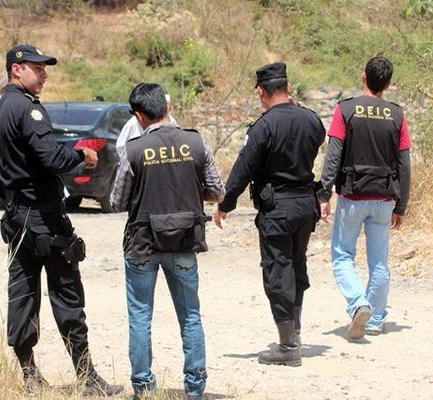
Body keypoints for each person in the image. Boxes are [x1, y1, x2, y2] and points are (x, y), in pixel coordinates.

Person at [0, 44, 123, 396]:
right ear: (17, 70)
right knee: (67, 294)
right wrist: (81, 156)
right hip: (44, 217)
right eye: (37, 68)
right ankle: (87, 378)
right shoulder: (28, 109)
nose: (44, 74)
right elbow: (52, 157)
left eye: (45, 68)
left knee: (22, 294)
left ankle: (29, 376)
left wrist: (12, 200)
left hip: (15, 216)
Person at [110, 82, 224, 400]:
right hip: (184, 241)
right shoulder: (196, 142)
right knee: (190, 316)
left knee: (140, 316)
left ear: (138, 115)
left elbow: (118, 201)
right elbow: (217, 191)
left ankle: (144, 389)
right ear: (167, 107)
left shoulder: (133, 149)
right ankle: (195, 389)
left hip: (142, 243)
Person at [214, 62, 326, 367]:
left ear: (261, 92)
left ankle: (288, 346)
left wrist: (225, 204)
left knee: (278, 272)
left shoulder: (263, 127)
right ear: (288, 88)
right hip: (306, 206)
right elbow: (319, 140)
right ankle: (295, 333)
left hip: (278, 209)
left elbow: (243, 170)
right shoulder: (312, 119)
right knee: (297, 266)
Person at [317, 56, 412, 341]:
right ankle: (375, 320)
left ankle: (359, 303)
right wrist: (401, 205)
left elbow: (333, 155)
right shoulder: (397, 115)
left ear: (363, 77)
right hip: (384, 199)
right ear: (389, 84)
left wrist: (324, 193)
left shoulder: (345, 109)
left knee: (342, 256)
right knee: (379, 262)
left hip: (352, 197)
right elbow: (404, 164)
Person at [115, 93, 176, 158]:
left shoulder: (171, 121)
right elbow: (121, 146)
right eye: (165, 103)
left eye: (168, 104)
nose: (167, 106)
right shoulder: (133, 122)